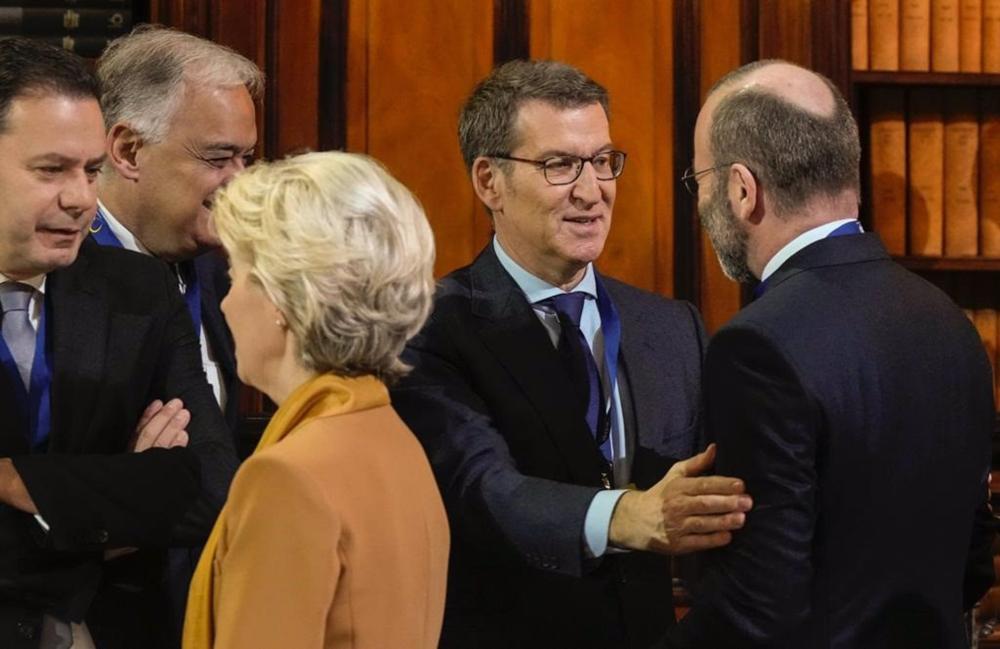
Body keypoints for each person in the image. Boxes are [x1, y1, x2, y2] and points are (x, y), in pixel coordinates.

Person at [391, 59, 752, 649]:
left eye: (604, 162)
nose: (592, 192)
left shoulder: (670, 327)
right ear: (489, 182)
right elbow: (483, 490)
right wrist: (625, 516)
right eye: (560, 165)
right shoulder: (429, 328)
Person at [665, 59, 996, 648]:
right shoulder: (951, 323)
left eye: (701, 182)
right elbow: (970, 561)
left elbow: (759, 609)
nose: (700, 204)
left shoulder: (756, 345)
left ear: (743, 190)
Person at [0, 38, 236, 649]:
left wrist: (25, 487)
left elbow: (208, 487)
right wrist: (116, 495)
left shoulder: (137, 289)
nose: (81, 198)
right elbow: (159, 497)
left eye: (92, 171)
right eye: (51, 170)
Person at [183, 151, 449, 649]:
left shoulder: (287, 477)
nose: (224, 301)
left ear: (282, 300)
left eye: (236, 275)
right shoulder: (396, 439)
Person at [95, 25, 262, 457]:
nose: (239, 182)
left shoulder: (227, 278)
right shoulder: (58, 278)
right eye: (219, 158)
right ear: (129, 150)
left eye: (246, 158)